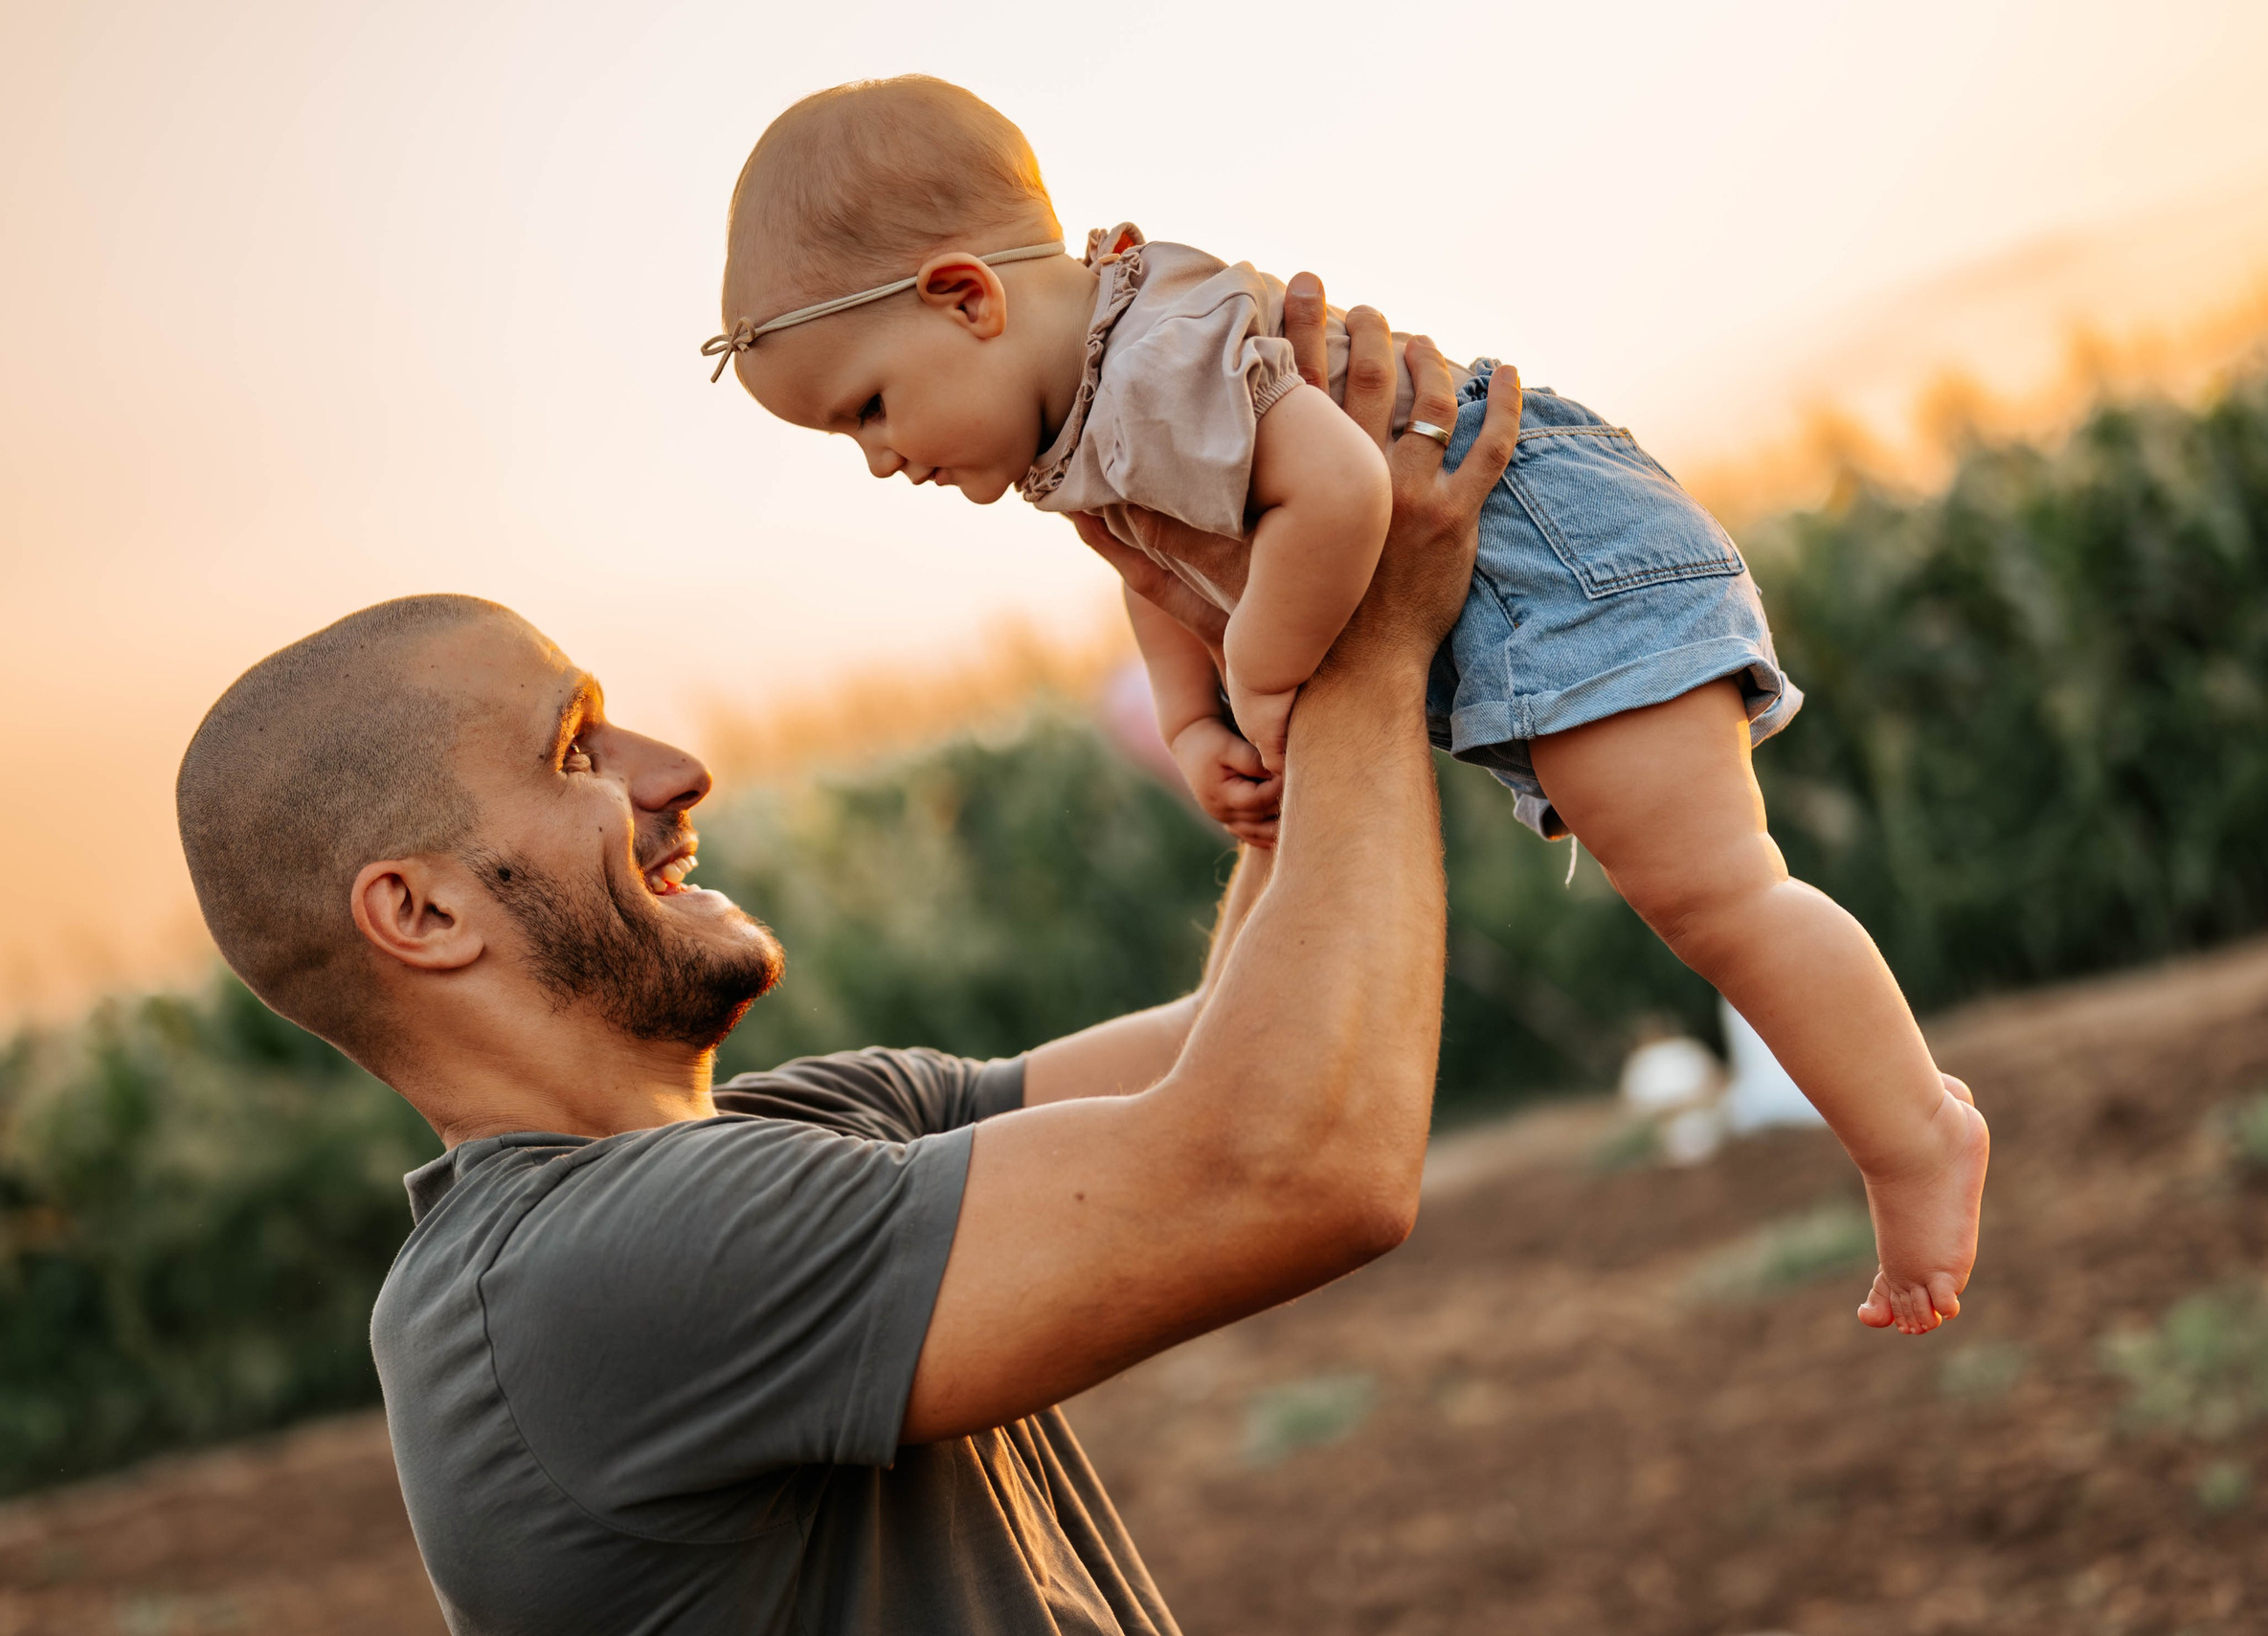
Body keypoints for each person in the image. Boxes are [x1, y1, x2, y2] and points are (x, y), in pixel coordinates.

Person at [172, 301, 1516, 1634]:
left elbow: (1248, 1043)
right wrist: (1372, 625)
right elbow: (1298, 1159)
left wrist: (1280, 633)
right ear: (420, 912)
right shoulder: (576, 1285)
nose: (678, 771)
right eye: (575, 751)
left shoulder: (805, 1126)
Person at [706, 75, 1987, 1337]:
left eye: (869, 407)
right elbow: (1154, 569)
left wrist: (1263, 673)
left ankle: (1916, 1133)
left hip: (1545, 553)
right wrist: (1196, 719)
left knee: (1715, 891)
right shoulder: (1092, 406)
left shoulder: (1149, 362)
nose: (879, 459)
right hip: (1514, 579)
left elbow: (1340, 488)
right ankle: (1907, 1123)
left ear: (966, 296)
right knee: (1698, 889)